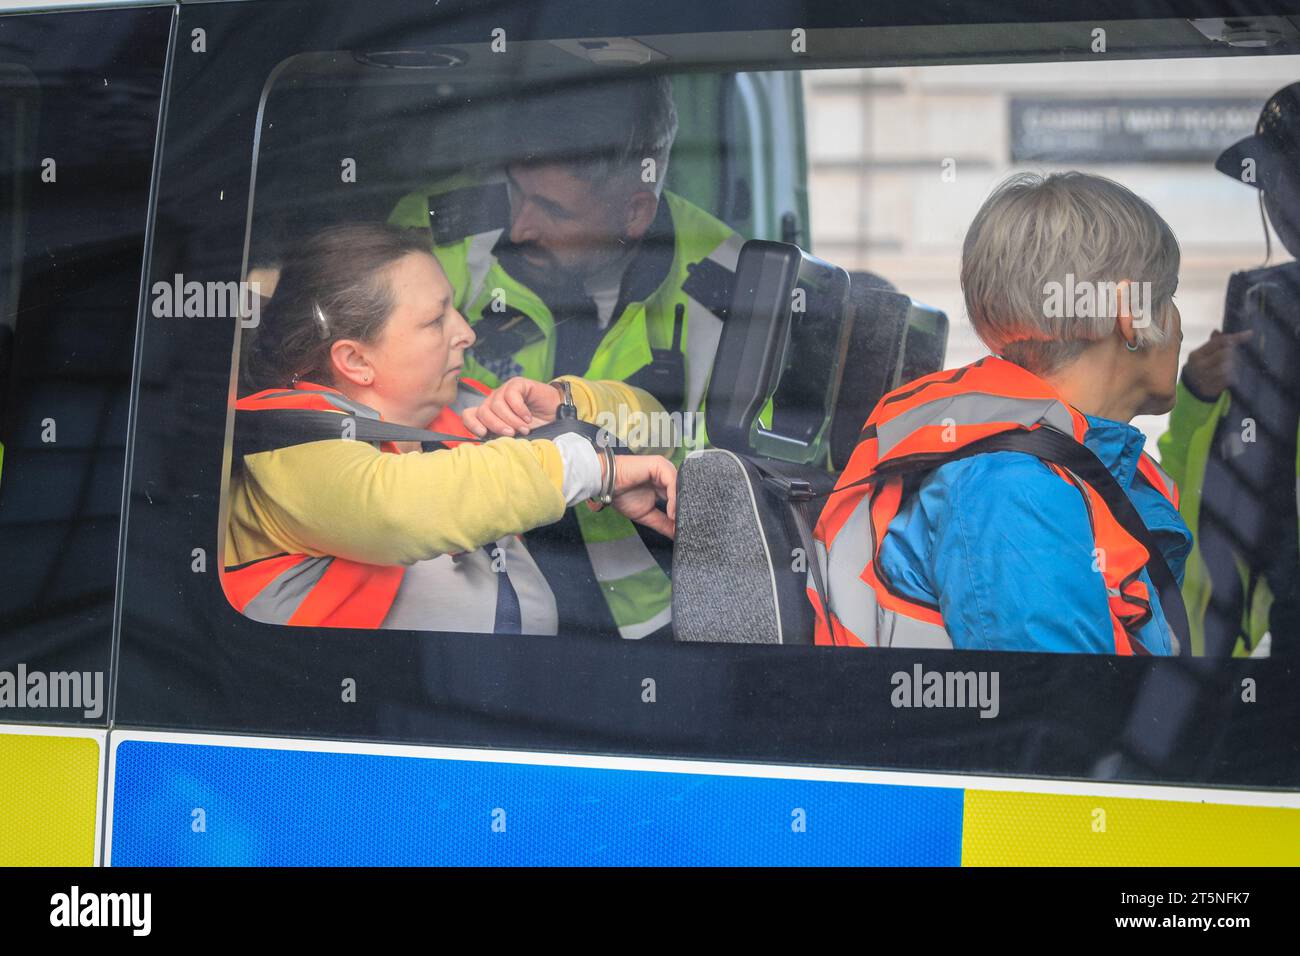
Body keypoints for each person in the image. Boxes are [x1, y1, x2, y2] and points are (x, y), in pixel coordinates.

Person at [389, 76, 744, 641]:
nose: (520, 225)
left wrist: (591, 420)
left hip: (646, 616)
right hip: (466, 595)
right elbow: (358, 398)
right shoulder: (435, 232)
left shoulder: (732, 283)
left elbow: (741, 483)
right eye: (515, 191)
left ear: (634, 213)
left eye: (553, 209)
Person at [222, 223, 677, 634]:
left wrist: (569, 407)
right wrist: (590, 467)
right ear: (356, 361)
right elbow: (397, 510)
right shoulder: (288, 449)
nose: (467, 333)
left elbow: (661, 434)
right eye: (436, 320)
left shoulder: (462, 407)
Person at [811, 171, 1191, 654]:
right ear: (1129, 315)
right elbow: (1066, 717)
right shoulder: (1012, 487)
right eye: (1168, 294)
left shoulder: (1055, 468)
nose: (1178, 327)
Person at [1157, 82, 1300, 657]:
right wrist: (1198, 399)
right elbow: (1184, 504)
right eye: (1273, 185)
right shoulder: (1267, 306)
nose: (1279, 202)